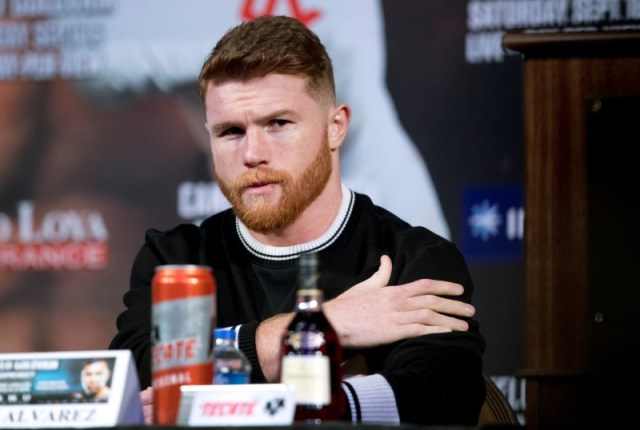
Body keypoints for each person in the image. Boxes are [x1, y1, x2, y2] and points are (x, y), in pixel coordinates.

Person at [109, 15, 485, 425]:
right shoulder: (175, 260)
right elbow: (138, 381)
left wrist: (224, 393)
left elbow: (442, 395)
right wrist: (325, 327)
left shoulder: (414, 261)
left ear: (335, 128)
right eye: (231, 131)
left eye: (278, 124)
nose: (253, 153)